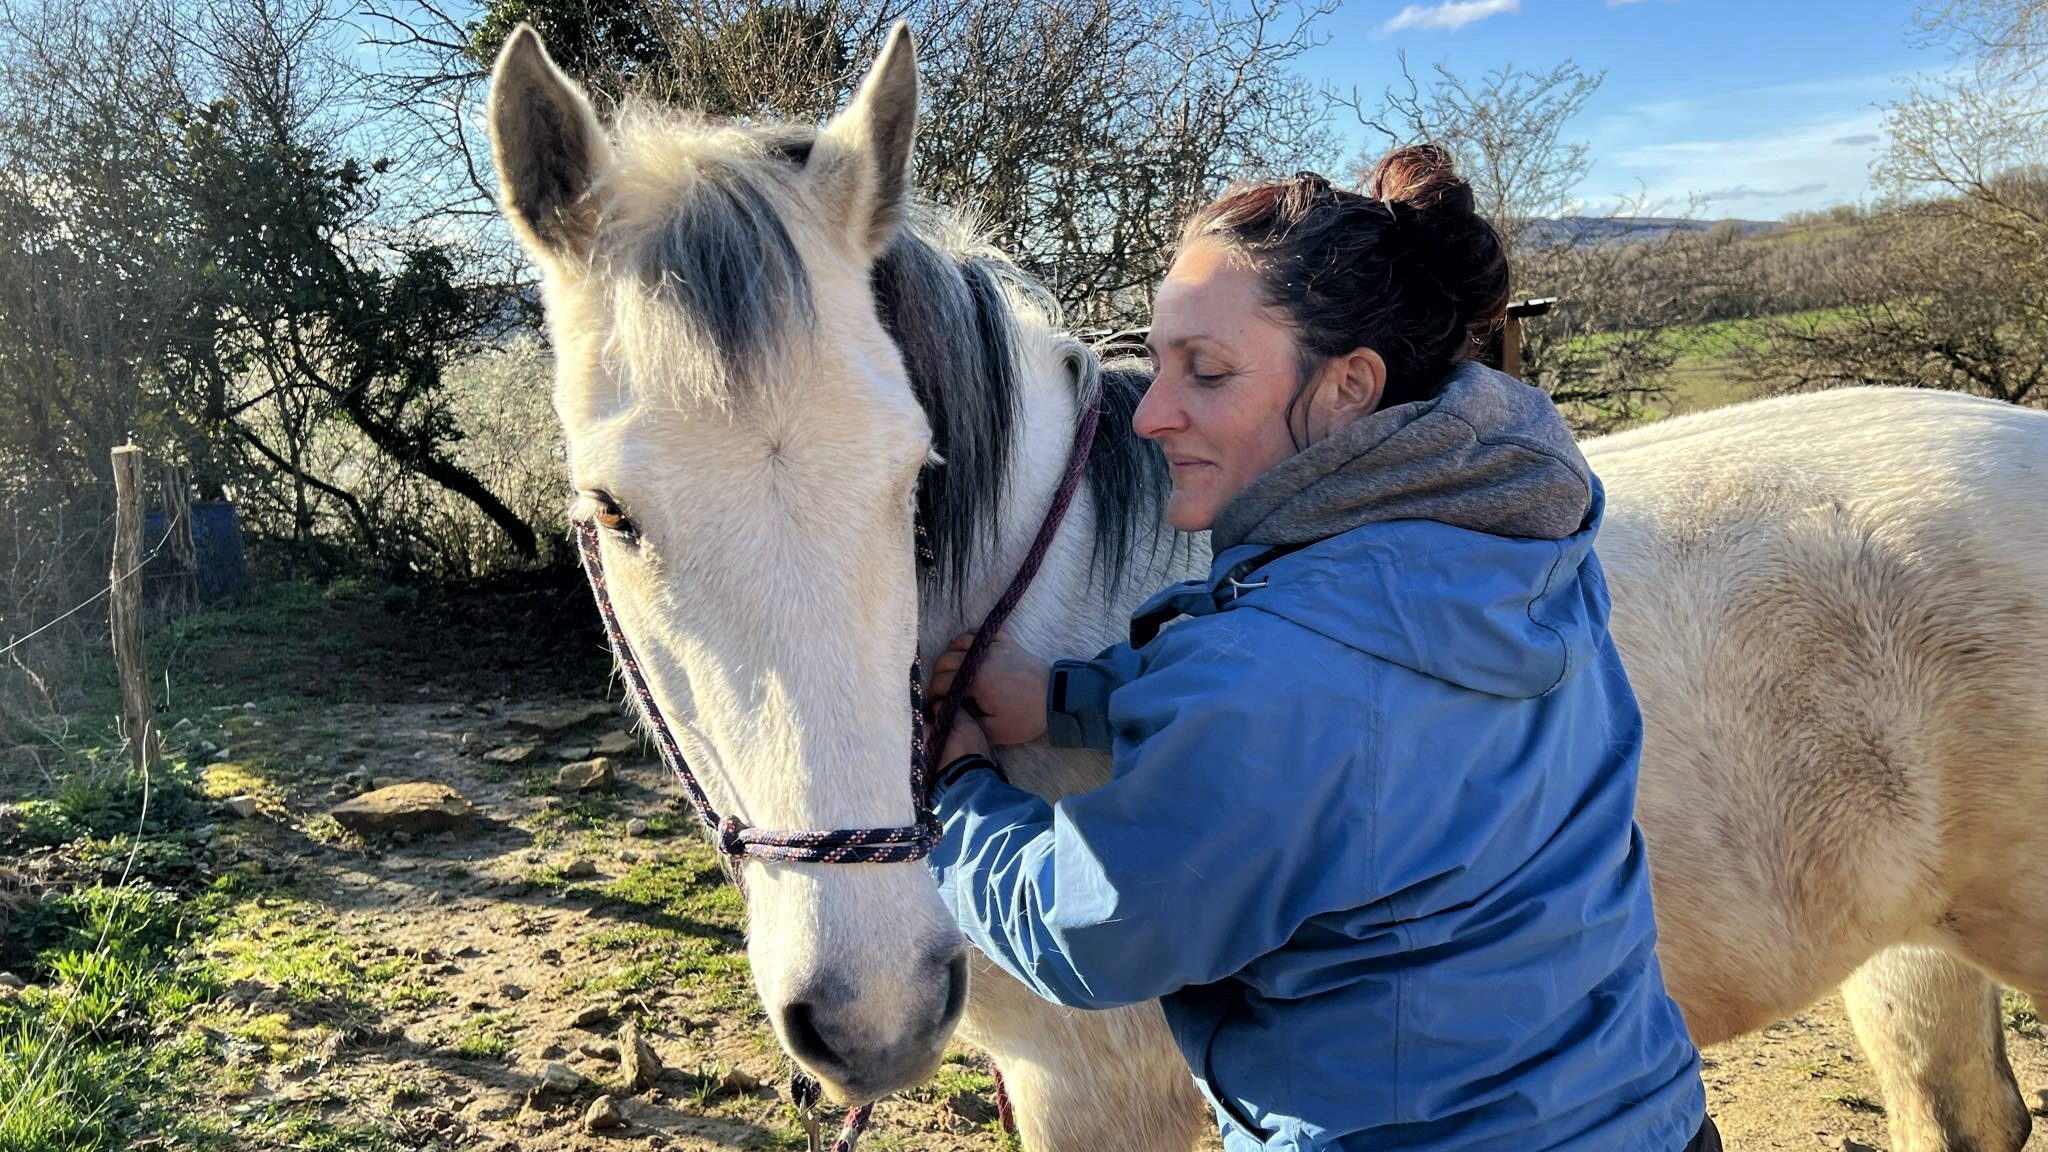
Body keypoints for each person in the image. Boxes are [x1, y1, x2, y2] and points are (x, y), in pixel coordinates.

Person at [922, 146, 1717, 1151]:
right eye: (1153, 361)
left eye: (1207, 372)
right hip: (1647, 1117)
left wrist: (956, 793)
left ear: (1349, 388)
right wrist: (1071, 697)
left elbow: (1086, 933)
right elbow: (1360, 723)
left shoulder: (1272, 674)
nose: (1152, 414)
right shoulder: (1520, 547)